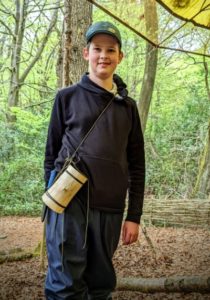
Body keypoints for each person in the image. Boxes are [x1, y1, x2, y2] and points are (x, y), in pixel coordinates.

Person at [44, 21, 145, 300]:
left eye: (110, 49)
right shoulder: (66, 97)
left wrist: (133, 215)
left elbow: (137, 164)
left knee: (100, 286)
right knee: (64, 285)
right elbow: (51, 155)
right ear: (86, 53)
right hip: (69, 205)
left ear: (120, 57)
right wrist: (52, 203)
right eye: (97, 48)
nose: (104, 55)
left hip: (110, 210)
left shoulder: (128, 108)